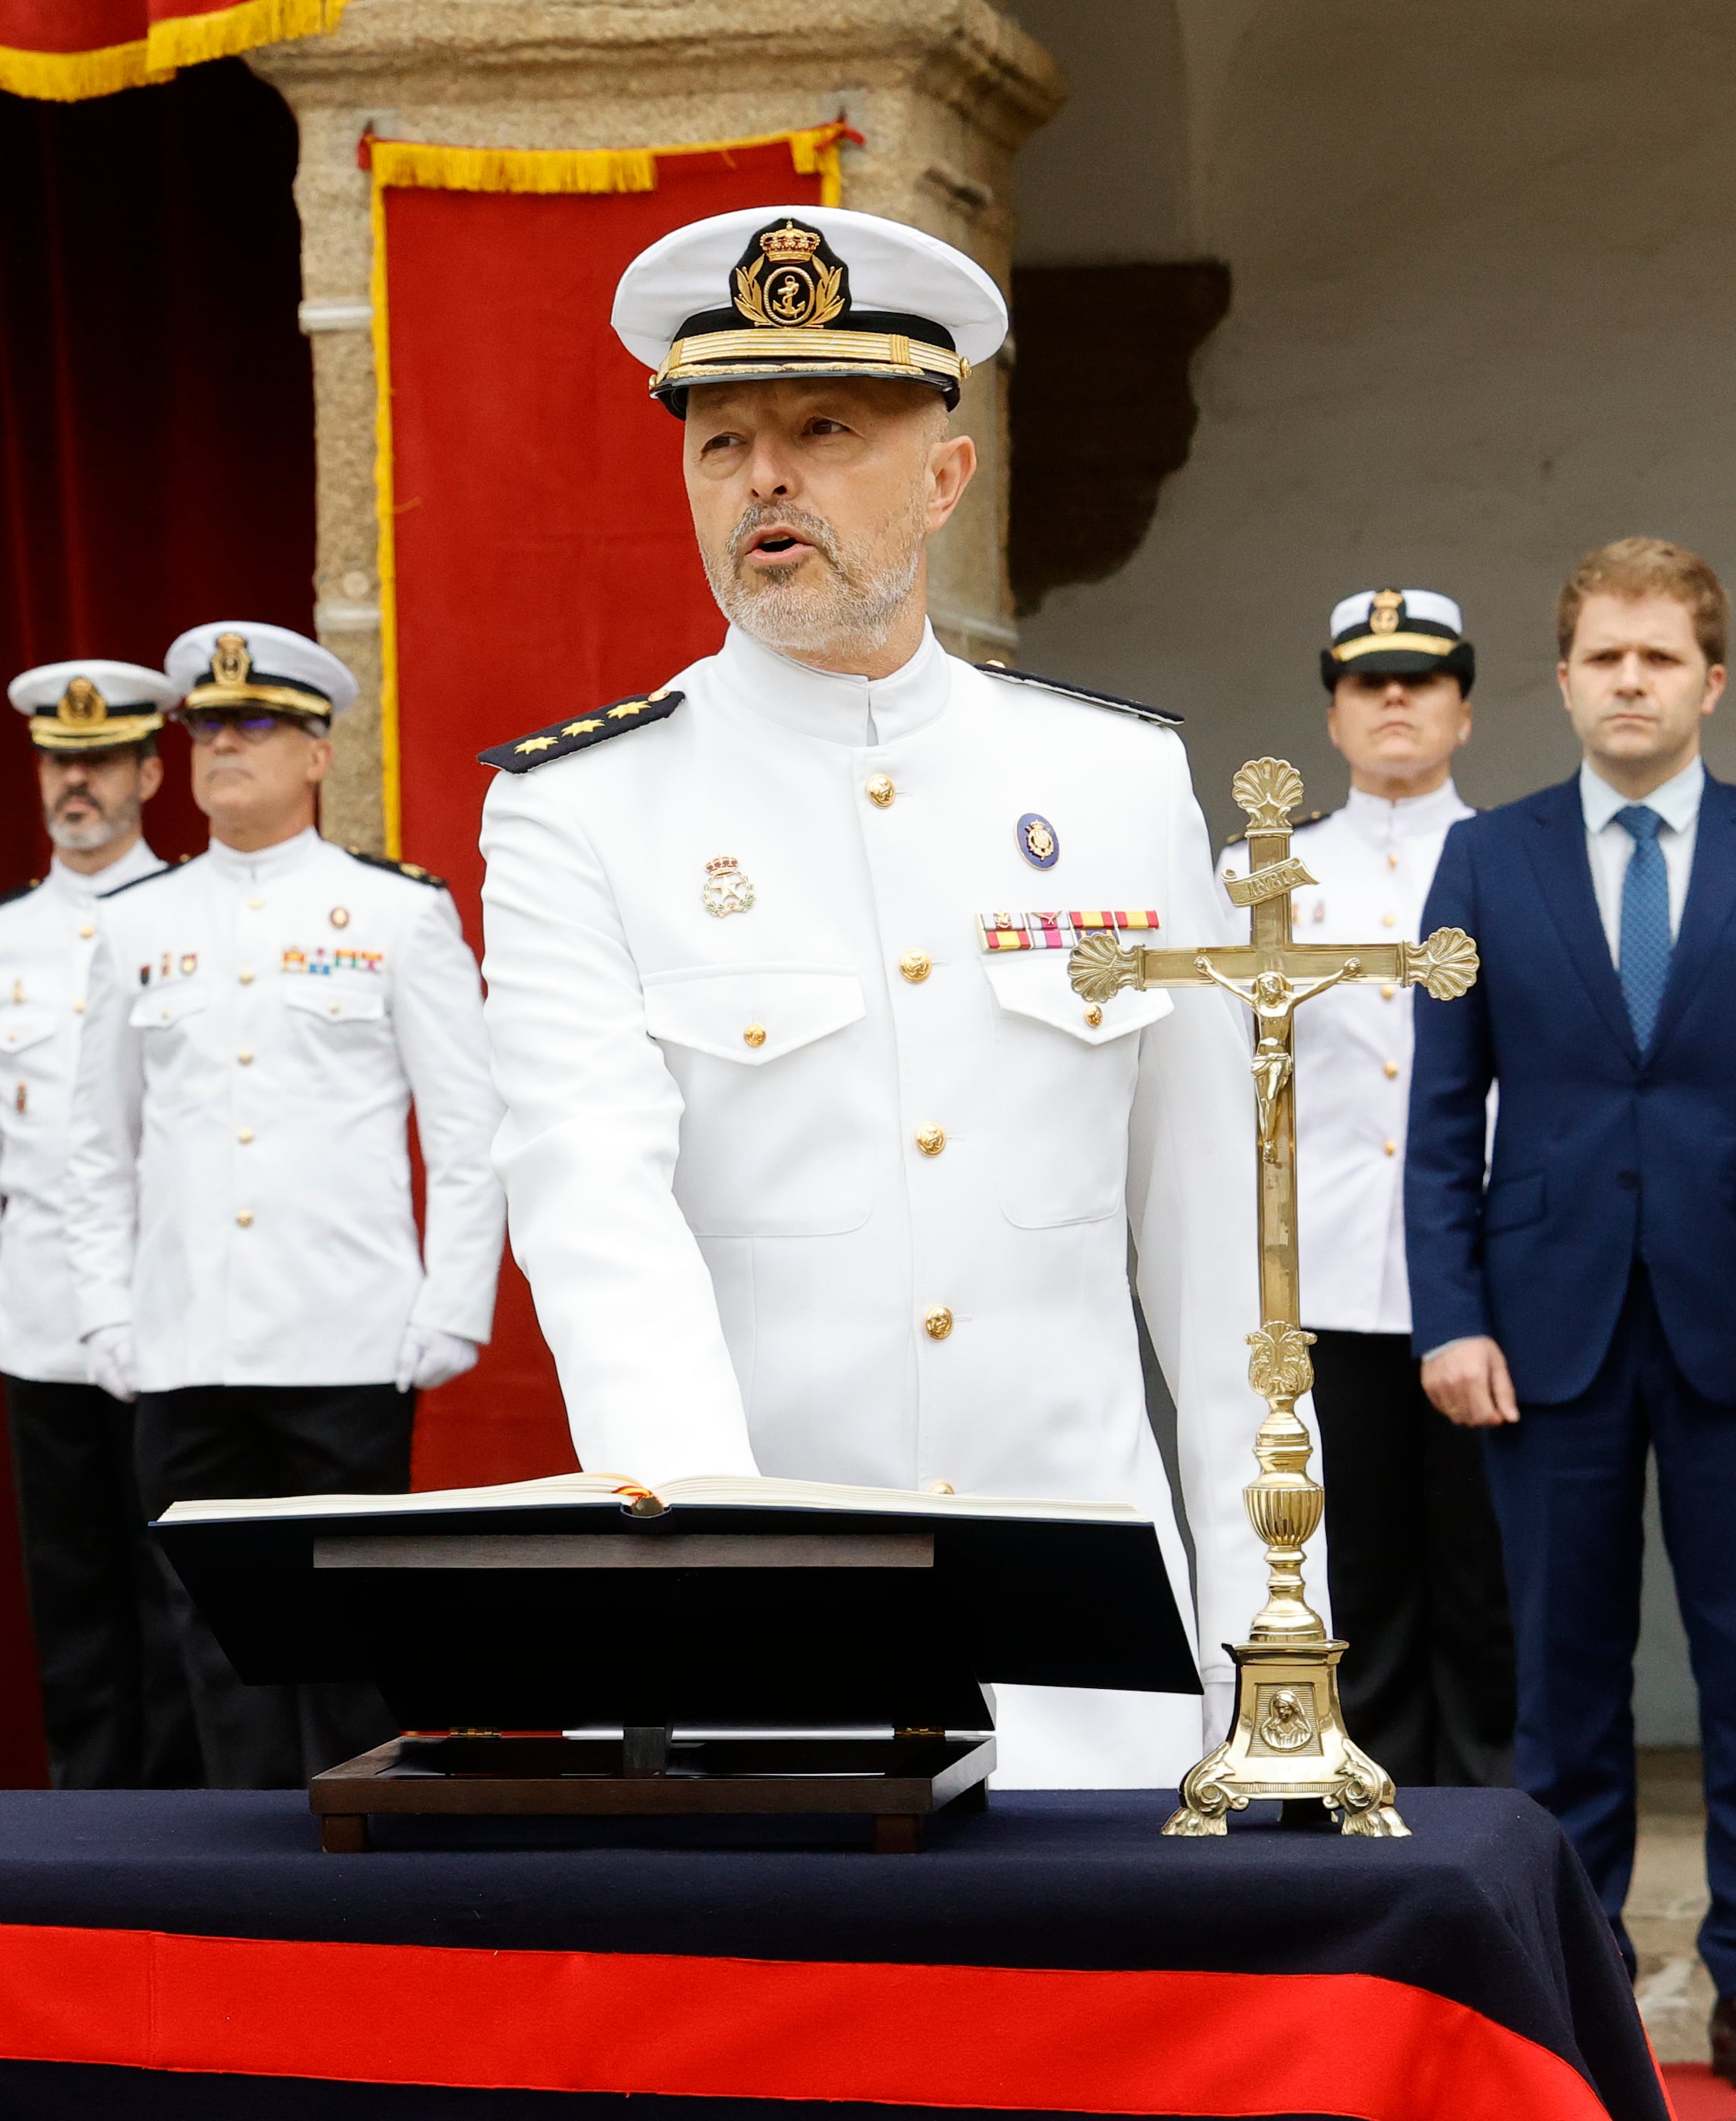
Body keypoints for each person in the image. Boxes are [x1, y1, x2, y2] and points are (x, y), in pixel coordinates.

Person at [475, 203, 1263, 1791]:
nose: (763, 475)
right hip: (775, 1660)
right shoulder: (580, 810)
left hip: (1093, 1650)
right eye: (720, 441)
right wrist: (724, 1598)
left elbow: (1214, 1246)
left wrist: (1267, 1639)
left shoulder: (1113, 783)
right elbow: (595, 1222)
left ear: (944, 477)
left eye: (823, 429)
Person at [66, 621, 504, 1788]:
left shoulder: (394, 914)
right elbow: (96, 1143)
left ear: (317, 753)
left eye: (253, 724)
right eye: (205, 727)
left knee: (353, 1618)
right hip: (186, 1337)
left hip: (344, 1331)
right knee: (209, 1628)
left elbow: (466, 1130)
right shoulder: (136, 924)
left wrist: (451, 1304)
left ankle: (356, 1862)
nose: (222, 749)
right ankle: (242, 1860)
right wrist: (107, 1312)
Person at [1410, 537, 1736, 2060]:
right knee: (1561, 1687)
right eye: (1603, 654)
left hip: (1733, 1317)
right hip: (1540, 1331)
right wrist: (1447, 1313)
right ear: (1558, 679)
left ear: (1710, 680)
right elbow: (1437, 1110)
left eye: (1657, 655)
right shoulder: (1486, 859)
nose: (1627, 679)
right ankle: (1568, 1985)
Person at [1220, 589, 1506, 1789]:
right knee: (1356, 1576)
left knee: (1491, 1578)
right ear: (1333, 713)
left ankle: (1500, 1823)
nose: (1396, 701)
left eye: (1423, 680)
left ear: (1464, 711)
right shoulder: (1262, 873)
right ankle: (1376, 1813)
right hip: (1320, 1270)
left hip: (1488, 1276)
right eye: (1368, 682)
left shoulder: (1514, 859)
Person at [0, 660, 205, 1791]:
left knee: (176, 1587)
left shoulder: (189, 912)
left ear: (149, 770)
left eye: (98, 761)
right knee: (74, 1587)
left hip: (177, 1309)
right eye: (58, 761)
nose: (75, 783)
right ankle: (87, 1822)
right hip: (42, 1306)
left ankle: (187, 1825)